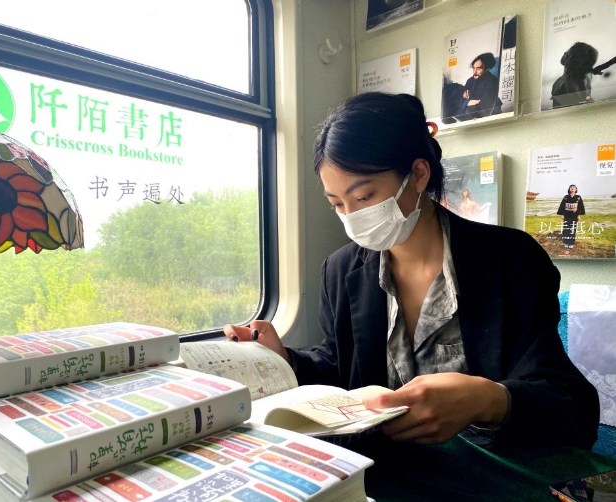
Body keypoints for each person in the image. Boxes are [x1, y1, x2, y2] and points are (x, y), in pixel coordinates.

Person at [224, 93, 599, 498]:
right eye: (337, 204)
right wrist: (283, 360)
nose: (352, 216)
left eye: (364, 197)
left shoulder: (511, 259)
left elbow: (570, 406)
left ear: (418, 175)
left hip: (488, 474)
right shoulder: (341, 270)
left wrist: (490, 401)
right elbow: (338, 369)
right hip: (380, 475)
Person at [551, 42, 599, 109]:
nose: (564, 53)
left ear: (573, 58)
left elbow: (584, 99)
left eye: (567, 53)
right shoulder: (570, 78)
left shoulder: (571, 80)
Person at [462, 52, 503, 119]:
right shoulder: (470, 81)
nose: (474, 72)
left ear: (487, 69)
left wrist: (469, 102)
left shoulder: (492, 81)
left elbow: (486, 104)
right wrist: (468, 102)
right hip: (470, 114)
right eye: (473, 68)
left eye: (478, 69)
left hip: (488, 115)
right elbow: (462, 100)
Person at [557, 184, 586, 249]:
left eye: (574, 187)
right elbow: (562, 205)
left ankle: (571, 243)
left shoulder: (578, 197)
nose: (572, 188)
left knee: (572, 229)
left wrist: (579, 214)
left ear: (576, 189)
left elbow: (580, 206)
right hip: (566, 215)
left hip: (574, 215)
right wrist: (562, 214)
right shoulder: (566, 197)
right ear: (569, 189)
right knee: (566, 228)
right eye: (571, 187)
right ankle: (566, 242)